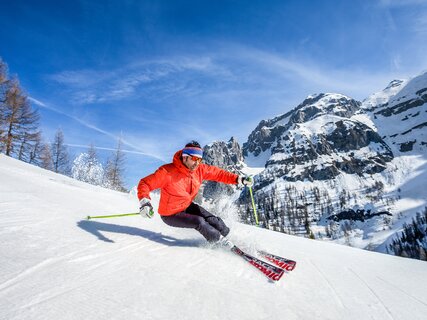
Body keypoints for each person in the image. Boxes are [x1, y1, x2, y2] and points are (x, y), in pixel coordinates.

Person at [137, 140, 253, 244]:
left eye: (199, 159)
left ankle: (231, 238)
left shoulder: (199, 170)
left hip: (186, 206)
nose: (197, 163)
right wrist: (145, 202)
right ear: (185, 157)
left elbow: (218, 174)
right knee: (199, 221)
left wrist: (240, 179)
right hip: (170, 214)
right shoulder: (167, 172)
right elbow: (145, 183)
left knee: (214, 220)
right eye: (194, 159)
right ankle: (220, 243)